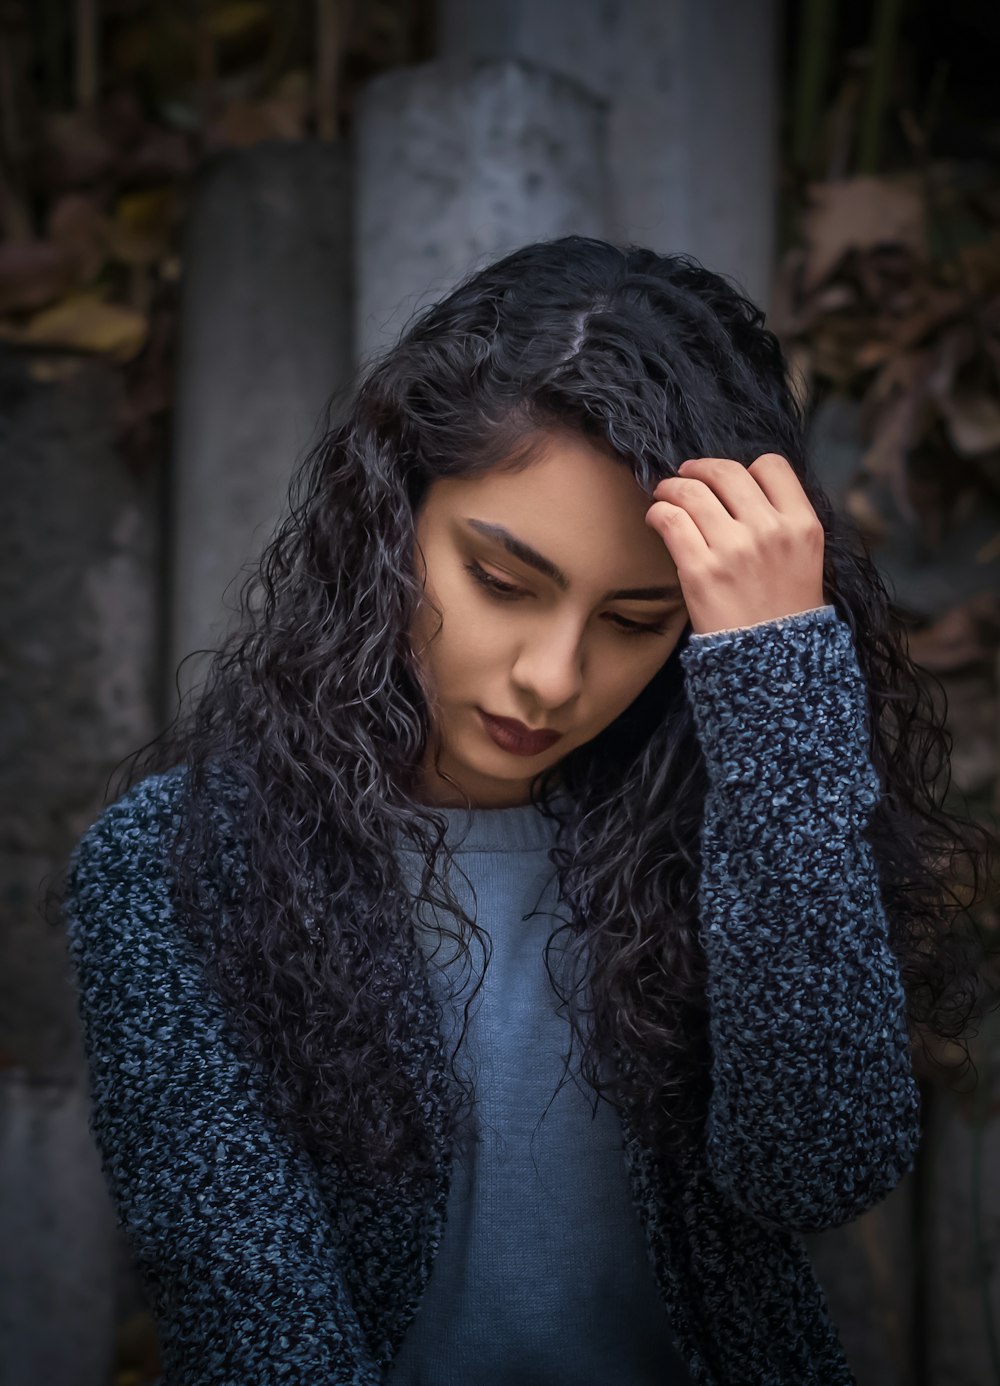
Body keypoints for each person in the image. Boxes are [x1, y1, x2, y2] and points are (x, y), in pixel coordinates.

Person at [58, 236, 990, 1385]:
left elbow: (820, 1168)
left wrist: (775, 686)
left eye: (635, 620)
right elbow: (255, 1325)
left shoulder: (730, 824)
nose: (551, 677)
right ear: (387, 522)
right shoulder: (177, 863)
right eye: (504, 583)